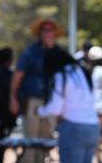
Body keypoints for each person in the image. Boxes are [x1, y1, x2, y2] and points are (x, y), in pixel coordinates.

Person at [9, 18, 63, 163]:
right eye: (44, 30)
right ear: (39, 33)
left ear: (54, 33)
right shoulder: (31, 52)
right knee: (31, 141)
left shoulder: (58, 52)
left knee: (45, 142)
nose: (47, 33)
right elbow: (18, 75)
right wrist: (12, 98)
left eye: (50, 30)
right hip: (32, 100)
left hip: (51, 101)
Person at [37, 46, 100, 163]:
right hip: (93, 126)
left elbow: (56, 108)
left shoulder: (61, 75)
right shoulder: (83, 73)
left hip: (73, 128)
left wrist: (40, 111)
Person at [0, 47, 16, 163]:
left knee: (2, 145)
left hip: (4, 116)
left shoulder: (8, 74)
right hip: (1, 116)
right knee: (1, 144)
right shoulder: (2, 74)